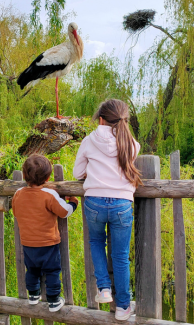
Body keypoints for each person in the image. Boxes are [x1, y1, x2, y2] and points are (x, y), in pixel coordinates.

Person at [73, 99, 142, 320]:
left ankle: (103, 289)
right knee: (121, 256)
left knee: (95, 242)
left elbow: (77, 173)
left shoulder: (89, 140)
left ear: (101, 119)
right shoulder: (131, 143)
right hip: (122, 202)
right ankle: (123, 307)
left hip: (94, 202)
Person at [12, 154, 79, 312]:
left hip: (28, 242)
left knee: (32, 269)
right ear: (48, 177)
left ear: (24, 175)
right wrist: (73, 202)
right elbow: (64, 212)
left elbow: (15, 212)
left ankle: (33, 295)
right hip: (48, 242)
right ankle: (54, 299)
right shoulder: (49, 195)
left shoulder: (18, 194)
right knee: (52, 270)